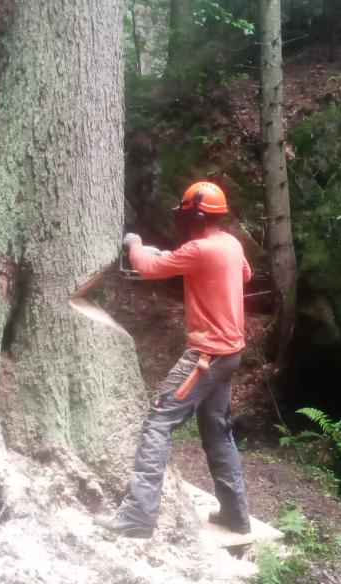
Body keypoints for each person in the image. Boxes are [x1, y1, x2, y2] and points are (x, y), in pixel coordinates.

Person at [95, 181, 252, 539]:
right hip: (230, 354)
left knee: (158, 421)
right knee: (217, 431)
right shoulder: (230, 244)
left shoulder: (199, 249)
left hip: (207, 356)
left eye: (185, 214)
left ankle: (138, 515)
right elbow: (244, 274)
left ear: (195, 216)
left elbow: (148, 268)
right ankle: (235, 515)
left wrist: (134, 244)